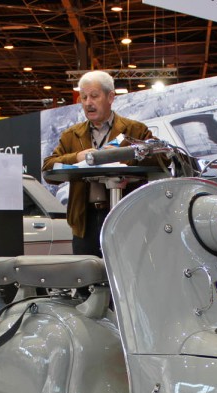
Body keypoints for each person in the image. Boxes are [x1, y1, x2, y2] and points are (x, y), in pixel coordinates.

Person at [41, 70, 153, 257]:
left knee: (124, 280)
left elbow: (160, 158)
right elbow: (48, 167)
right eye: (83, 97)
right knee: (86, 280)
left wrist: (123, 156)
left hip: (126, 219)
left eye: (94, 96)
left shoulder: (135, 130)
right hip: (85, 223)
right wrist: (76, 157)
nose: (87, 103)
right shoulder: (71, 135)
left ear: (110, 97)